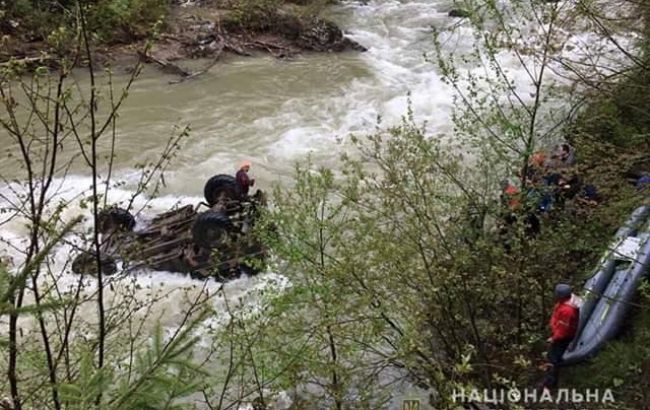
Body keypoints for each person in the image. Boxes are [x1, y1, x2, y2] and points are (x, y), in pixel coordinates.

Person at [542, 283, 580, 390]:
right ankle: (552, 379)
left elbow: (563, 330)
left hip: (562, 337)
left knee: (552, 358)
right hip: (561, 334)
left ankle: (550, 384)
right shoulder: (565, 303)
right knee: (554, 356)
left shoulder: (567, 310)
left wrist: (554, 338)